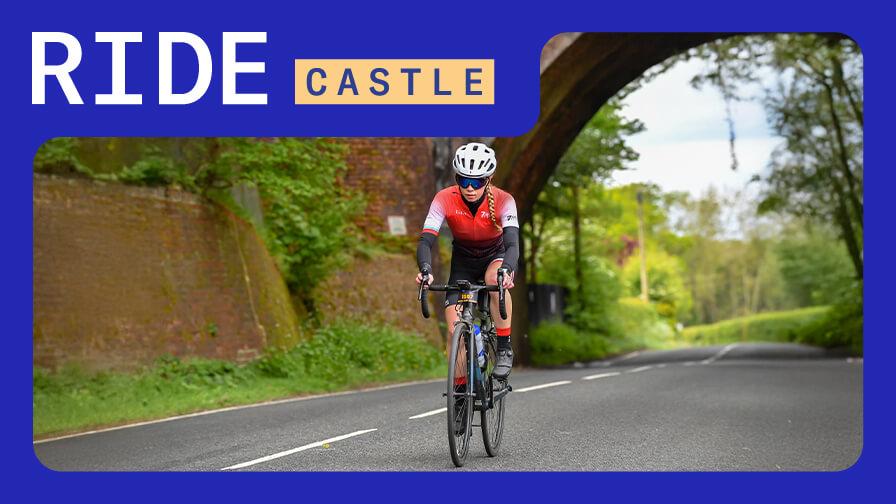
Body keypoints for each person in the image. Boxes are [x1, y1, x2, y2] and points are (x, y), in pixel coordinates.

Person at [415, 142, 519, 385]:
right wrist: (426, 269)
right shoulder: (444, 198)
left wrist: (507, 269)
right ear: (456, 178)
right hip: (463, 261)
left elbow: (513, 243)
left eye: (478, 182)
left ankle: (503, 348)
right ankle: (460, 397)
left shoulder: (505, 200)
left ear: (489, 179)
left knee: (495, 280)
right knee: (455, 332)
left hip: (495, 255)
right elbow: (426, 240)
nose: (470, 188)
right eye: (463, 181)